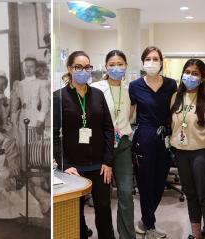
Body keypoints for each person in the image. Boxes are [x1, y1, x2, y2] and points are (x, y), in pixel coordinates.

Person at [53, 51, 115, 239]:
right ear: (70, 69)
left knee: (104, 207)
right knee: (76, 212)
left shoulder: (97, 94)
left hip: (100, 165)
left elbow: (108, 129)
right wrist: (64, 165)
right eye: (78, 67)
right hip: (74, 166)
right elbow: (54, 135)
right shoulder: (59, 97)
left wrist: (108, 161)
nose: (83, 71)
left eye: (87, 67)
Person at [129, 46, 177, 239]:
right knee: (145, 183)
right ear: (143, 62)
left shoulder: (171, 85)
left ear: (161, 62)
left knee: (159, 183)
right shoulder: (135, 86)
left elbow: (175, 111)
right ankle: (150, 227)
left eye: (155, 58)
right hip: (144, 137)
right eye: (148, 58)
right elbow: (129, 114)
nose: (151, 62)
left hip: (164, 137)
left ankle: (145, 221)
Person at [91, 50, 136, 239]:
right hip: (102, 146)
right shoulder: (96, 88)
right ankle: (107, 235)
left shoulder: (129, 89)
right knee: (102, 198)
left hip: (123, 145)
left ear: (126, 66)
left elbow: (130, 114)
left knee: (126, 192)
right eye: (112, 64)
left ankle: (127, 235)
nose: (116, 68)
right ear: (105, 66)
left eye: (120, 64)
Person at [170, 59, 205, 239]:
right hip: (180, 153)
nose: (190, 76)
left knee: (203, 196)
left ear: (202, 78)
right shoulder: (175, 97)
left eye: (195, 73)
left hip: (200, 153)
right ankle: (196, 234)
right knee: (190, 195)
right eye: (187, 72)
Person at [11, 57, 49, 169]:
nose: (28, 69)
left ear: (35, 68)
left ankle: (35, 178)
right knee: (23, 146)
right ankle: (24, 173)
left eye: (31, 66)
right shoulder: (19, 84)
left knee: (34, 146)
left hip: (35, 117)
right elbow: (14, 105)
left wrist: (40, 120)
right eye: (26, 66)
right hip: (23, 117)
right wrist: (14, 121)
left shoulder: (40, 83)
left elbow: (45, 103)